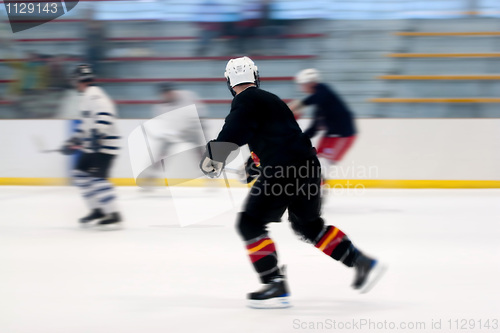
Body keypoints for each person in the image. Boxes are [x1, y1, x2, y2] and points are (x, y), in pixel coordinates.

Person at [200, 57, 385, 309]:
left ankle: (274, 282)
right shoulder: (272, 100)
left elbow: (234, 130)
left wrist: (214, 155)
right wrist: (254, 164)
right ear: (255, 76)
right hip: (307, 167)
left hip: (282, 172)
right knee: (308, 226)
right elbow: (279, 138)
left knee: (250, 223)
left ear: (229, 82)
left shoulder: (244, 100)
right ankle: (360, 261)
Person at [62, 64, 122, 229]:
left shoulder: (94, 95)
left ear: (79, 80)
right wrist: (74, 140)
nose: (74, 84)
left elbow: (106, 115)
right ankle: (97, 210)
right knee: (80, 174)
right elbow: (87, 125)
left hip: (105, 146)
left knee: (98, 179)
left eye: (75, 80)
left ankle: (114, 213)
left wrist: (99, 134)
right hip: (94, 146)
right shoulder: (87, 96)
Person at [289, 69, 357, 181]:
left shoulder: (323, 90)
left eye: (302, 84)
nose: (301, 88)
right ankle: (312, 188)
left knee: (323, 164)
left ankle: (316, 191)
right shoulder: (320, 104)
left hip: (343, 135)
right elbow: (314, 128)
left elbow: (317, 97)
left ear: (310, 83)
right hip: (330, 136)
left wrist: (298, 105)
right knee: (313, 161)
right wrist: (299, 139)